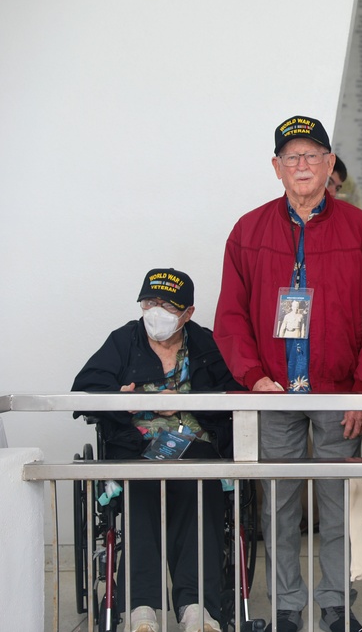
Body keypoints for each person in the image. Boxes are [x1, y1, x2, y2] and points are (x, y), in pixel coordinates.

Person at [214, 115, 362, 632]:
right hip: (273, 393)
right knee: (278, 506)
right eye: (292, 157)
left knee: (339, 504)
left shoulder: (360, 230)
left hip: (339, 391)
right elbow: (229, 316)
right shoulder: (248, 231)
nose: (302, 165)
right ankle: (288, 608)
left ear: (329, 164)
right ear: (276, 167)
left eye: (313, 155)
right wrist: (253, 378)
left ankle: (337, 605)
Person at [72, 268, 241, 632]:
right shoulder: (123, 340)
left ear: (188, 313)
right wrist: (123, 400)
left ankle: (197, 607)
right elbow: (86, 388)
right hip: (136, 445)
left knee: (202, 487)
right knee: (140, 488)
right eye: (150, 302)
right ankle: (142, 607)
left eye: (166, 304)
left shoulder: (207, 344)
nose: (155, 311)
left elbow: (233, 395)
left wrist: (185, 401)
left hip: (195, 445)